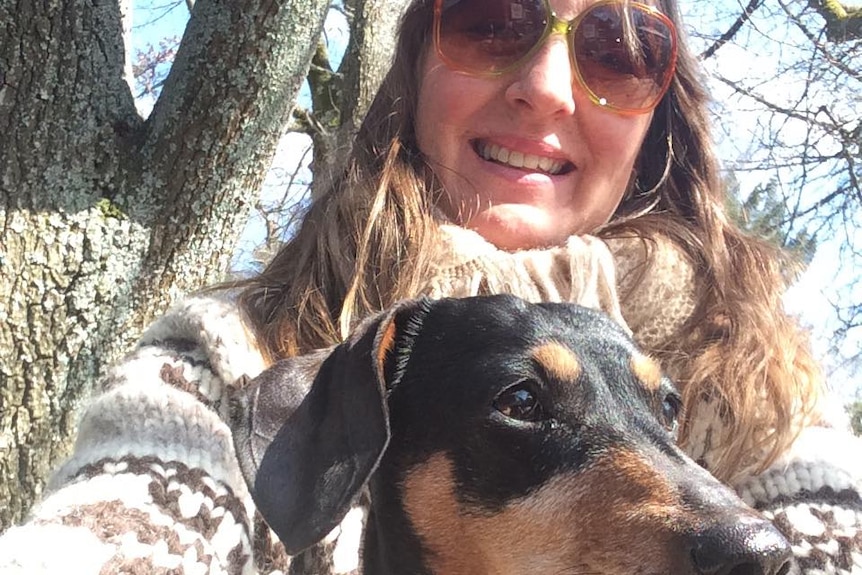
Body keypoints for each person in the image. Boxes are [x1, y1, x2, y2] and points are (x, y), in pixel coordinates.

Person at [1, 0, 859, 571]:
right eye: (492, 20)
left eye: (618, 49)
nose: (544, 89)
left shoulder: (765, 387)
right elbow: (111, 532)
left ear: (657, 117)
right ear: (413, 72)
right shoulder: (225, 366)